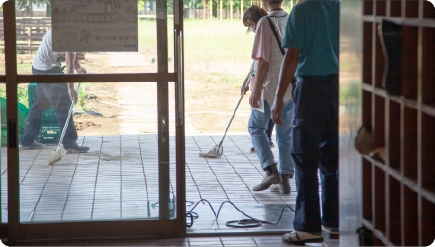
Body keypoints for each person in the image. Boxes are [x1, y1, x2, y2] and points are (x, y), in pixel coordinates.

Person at [271, 0, 340, 244]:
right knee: (332, 158)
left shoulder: (302, 10)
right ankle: (333, 223)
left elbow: (292, 56)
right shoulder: (342, 7)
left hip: (311, 89)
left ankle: (309, 226)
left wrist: (278, 97)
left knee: (304, 156)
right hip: (341, 88)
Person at [243, 0, 294, 194]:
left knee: (255, 127)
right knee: (284, 133)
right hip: (289, 87)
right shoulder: (290, 19)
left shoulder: (264, 23)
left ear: (265, 2)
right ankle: (286, 181)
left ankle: (270, 169)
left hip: (268, 86)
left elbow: (262, 60)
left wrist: (254, 90)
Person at [19, 28, 90, 153]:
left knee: (39, 105)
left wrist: (78, 68)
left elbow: (73, 57)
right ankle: (69, 143)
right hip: (48, 70)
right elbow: (69, 64)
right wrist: (71, 88)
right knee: (64, 106)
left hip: (38, 67)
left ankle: (27, 141)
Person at [240, 5, 276, 153]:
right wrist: (246, 81)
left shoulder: (265, 29)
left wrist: (255, 89)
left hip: (266, 83)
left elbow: (262, 61)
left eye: (250, 24)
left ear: (255, 20)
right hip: (261, 81)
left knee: (258, 123)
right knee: (265, 117)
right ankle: (265, 140)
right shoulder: (262, 30)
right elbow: (255, 62)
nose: (251, 28)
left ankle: (266, 150)